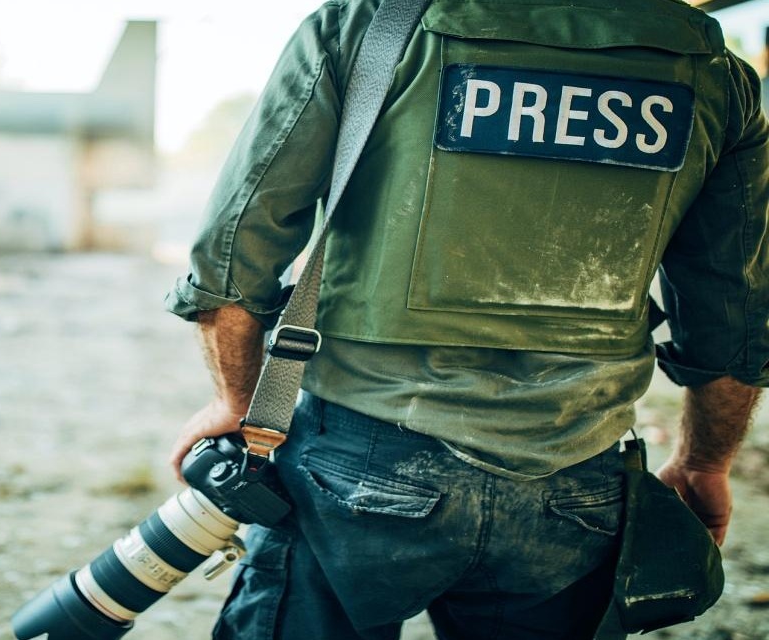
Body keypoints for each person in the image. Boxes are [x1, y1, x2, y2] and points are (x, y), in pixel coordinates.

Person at [163, 0, 769, 638]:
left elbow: (234, 251)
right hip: (577, 480)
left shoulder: (369, 27)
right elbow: (736, 315)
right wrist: (705, 462)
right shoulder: (715, 75)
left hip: (354, 462)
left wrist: (237, 398)